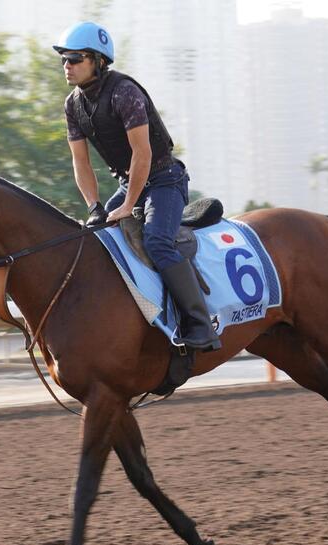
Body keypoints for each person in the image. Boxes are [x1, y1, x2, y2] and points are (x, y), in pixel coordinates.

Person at [54, 21, 220, 352]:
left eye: (74, 59)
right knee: (93, 238)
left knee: (158, 242)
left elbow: (142, 155)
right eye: (63, 60)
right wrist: (94, 207)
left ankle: (201, 326)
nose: (67, 66)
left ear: (98, 61)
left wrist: (128, 205)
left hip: (164, 178)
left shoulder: (124, 92)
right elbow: (81, 163)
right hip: (131, 181)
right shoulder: (72, 105)